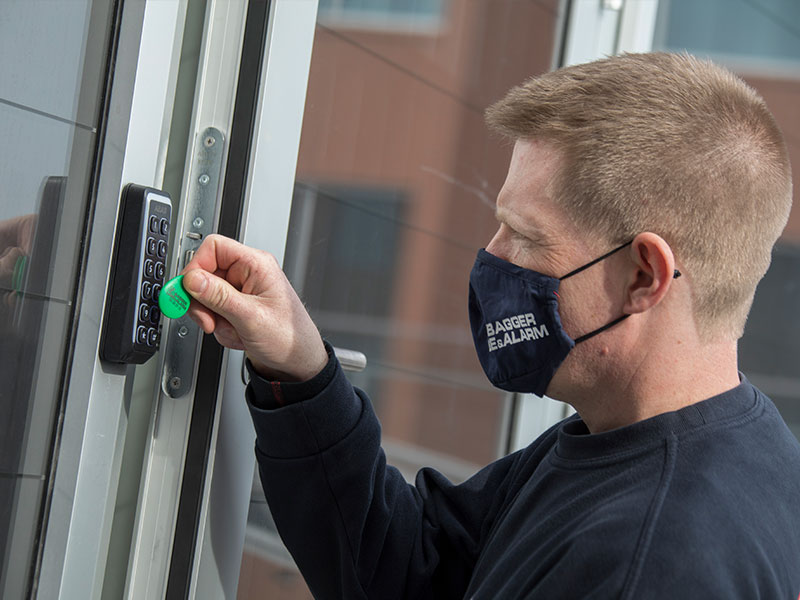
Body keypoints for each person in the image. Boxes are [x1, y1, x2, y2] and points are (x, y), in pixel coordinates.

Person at [181, 53, 800, 598]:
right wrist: (300, 365)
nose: (493, 255)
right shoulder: (674, 445)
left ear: (644, 276)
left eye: (526, 235)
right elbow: (415, 572)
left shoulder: (648, 564)